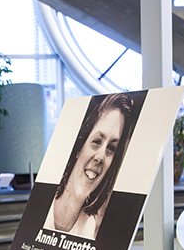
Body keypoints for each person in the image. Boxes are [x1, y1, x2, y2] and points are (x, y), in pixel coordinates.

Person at [44, 93, 135, 240]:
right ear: (79, 147)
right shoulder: (43, 206)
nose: (100, 157)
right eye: (97, 142)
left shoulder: (88, 227)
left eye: (111, 148)